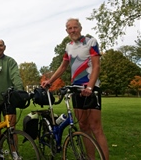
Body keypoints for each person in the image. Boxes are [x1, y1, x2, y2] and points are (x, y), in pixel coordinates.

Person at [41, 18, 109, 159]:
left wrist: (90, 86)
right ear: (67, 31)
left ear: (80, 28)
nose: (73, 30)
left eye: (75, 27)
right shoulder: (68, 46)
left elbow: (96, 66)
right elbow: (63, 66)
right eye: (69, 28)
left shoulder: (91, 41)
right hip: (76, 89)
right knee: (83, 127)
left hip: (91, 88)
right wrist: (50, 81)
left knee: (96, 128)